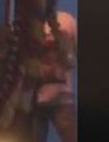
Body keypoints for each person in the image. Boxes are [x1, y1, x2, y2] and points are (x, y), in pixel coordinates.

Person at [32, 11, 77, 142]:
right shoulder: (29, 21)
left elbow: (73, 60)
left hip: (62, 98)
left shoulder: (67, 20)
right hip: (33, 98)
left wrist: (67, 53)